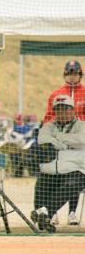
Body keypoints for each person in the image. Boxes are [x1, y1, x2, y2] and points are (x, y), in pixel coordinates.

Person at [31, 95, 85, 233]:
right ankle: (44, 217)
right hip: (50, 169)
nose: (61, 113)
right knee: (41, 184)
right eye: (58, 110)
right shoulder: (48, 126)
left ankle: (44, 212)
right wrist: (69, 144)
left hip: (74, 168)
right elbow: (43, 141)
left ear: (72, 110)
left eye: (65, 109)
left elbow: (82, 140)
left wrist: (58, 139)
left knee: (72, 184)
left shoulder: (81, 125)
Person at [43, 60, 85, 224]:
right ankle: (53, 212)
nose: (72, 77)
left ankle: (72, 212)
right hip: (60, 144)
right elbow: (48, 117)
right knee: (56, 175)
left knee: (74, 176)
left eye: (75, 74)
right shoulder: (56, 94)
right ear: (65, 74)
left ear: (80, 75)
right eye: (69, 74)